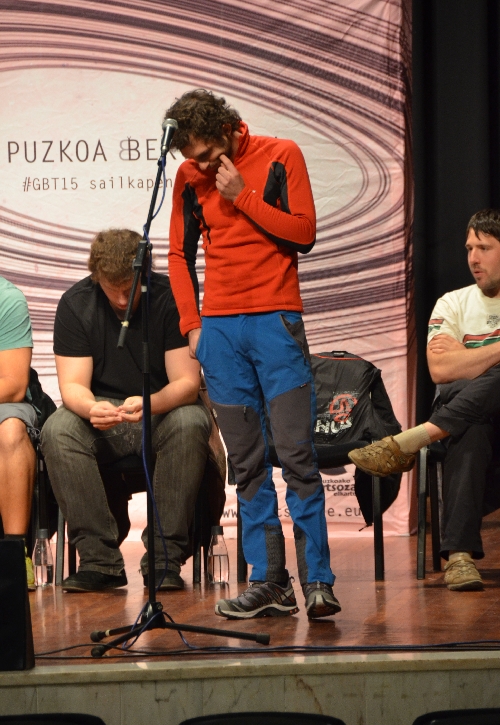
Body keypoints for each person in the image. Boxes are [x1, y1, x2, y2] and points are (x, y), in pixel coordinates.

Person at [165, 88, 340, 620]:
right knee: (246, 464)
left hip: (275, 323)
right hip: (220, 333)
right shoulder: (188, 178)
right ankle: (269, 582)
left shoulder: (281, 154)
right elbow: (177, 255)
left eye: (204, 155)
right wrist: (193, 327)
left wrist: (243, 194)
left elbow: (303, 233)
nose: (199, 166)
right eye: (191, 159)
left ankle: (318, 581)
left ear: (227, 130)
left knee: (296, 456)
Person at [41, 228, 212, 592]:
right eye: (112, 288)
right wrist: (91, 408)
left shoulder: (169, 297)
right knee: (58, 429)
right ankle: (99, 561)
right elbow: (72, 386)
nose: (122, 299)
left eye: (130, 288)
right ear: (96, 277)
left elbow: (186, 384)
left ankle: (164, 560)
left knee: (191, 421)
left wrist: (151, 403)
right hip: (104, 416)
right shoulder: (75, 303)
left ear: (145, 273)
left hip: (161, 410)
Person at [349, 208, 500, 591]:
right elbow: (440, 370)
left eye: (484, 248)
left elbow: (458, 367)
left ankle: (411, 440)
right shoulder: (453, 303)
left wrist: (469, 357)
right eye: (469, 248)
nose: (473, 258)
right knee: (470, 423)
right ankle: (460, 558)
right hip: (474, 429)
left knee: (475, 398)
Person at [0, 277, 37, 590]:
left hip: (4, 402)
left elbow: (13, 386)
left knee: (11, 431)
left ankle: (15, 554)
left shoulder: (7, 299)